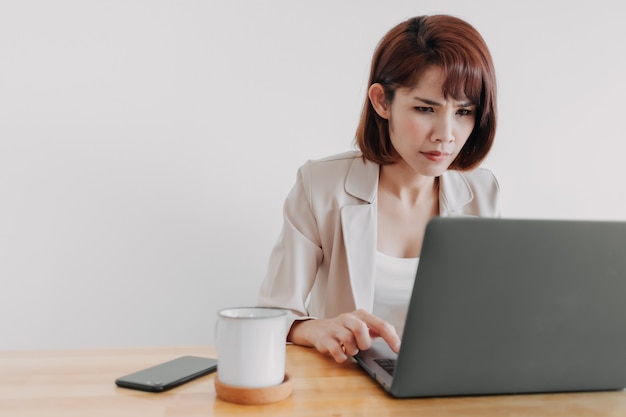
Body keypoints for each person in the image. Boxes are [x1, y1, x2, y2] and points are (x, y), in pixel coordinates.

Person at [258, 14, 499, 363]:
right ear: (382, 101)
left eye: (464, 111)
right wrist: (317, 328)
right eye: (425, 108)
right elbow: (273, 315)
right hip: (347, 392)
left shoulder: (482, 193)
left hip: (445, 388)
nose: (446, 134)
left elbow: (489, 319)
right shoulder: (320, 186)